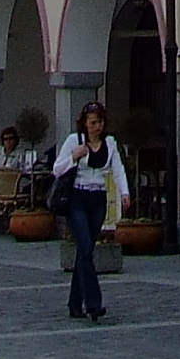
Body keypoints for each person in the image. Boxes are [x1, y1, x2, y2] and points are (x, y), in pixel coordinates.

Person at [50, 102, 130, 324]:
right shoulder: (74, 141)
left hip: (98, 199)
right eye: (93, 122)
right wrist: (74, 157)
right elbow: (56, 169)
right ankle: (93, 303)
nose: (97, 127)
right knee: (85, 248)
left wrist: (124, 193)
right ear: (84, 123)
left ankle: (75, 303)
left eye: (100, 122)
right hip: (77, 198)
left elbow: (118, 169)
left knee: (85, 252)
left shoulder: (110, 143)